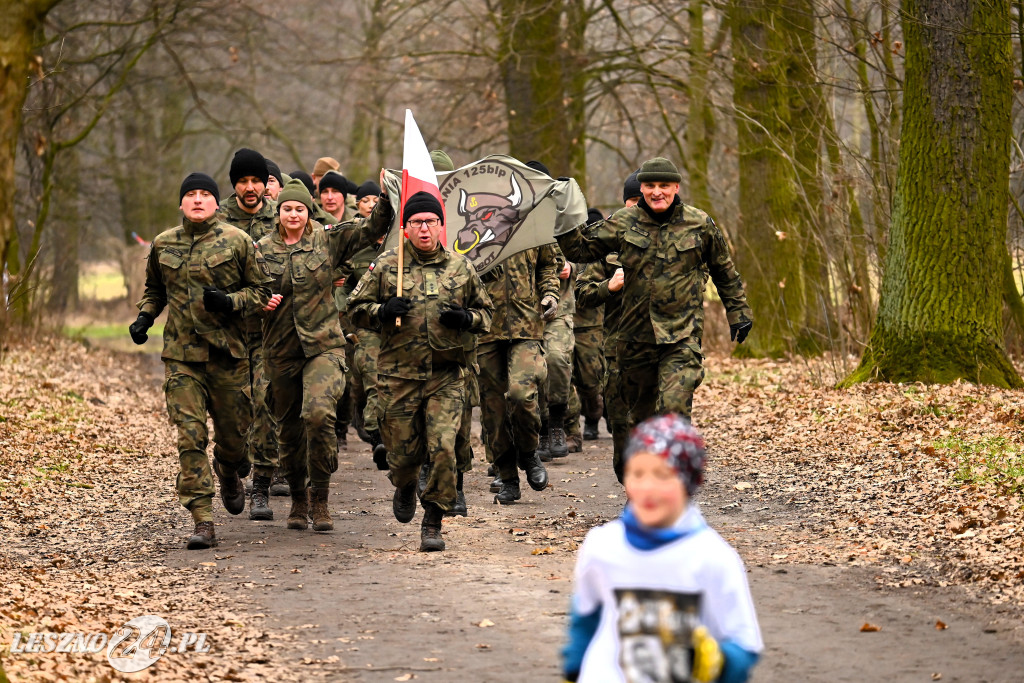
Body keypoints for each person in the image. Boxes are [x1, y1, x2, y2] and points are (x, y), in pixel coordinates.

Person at [561, 414, 762, 683]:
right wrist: (573, 671)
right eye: (637, 473)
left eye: (662, 475)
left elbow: (745, 646)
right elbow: (586, 617)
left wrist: (715, 662)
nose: (647, 487)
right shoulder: (602, 544)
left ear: (689, 481)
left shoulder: (713, 557)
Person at [129, 172, 272, 549]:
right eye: (190, 194)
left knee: (234, 441)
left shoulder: (238, 241)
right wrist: (145, 316)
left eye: (204, 194)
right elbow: (154, 289)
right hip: (182, 357)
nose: (196, 200)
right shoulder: (163, 244)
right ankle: (203, 520)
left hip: (228, 355)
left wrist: (230, 302)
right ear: (181, 203)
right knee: (190, 437)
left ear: (214, 202)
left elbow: (260, 292)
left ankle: (228, 470)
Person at [556, 157, 753, 426]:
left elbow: (724, 270)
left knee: (674, 409)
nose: (656, 191)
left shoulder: (700, 224)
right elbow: (579, 250)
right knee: (640, 423)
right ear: (642, 188)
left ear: (676, 188)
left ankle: (673, 466)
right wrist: (564, 209)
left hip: (681, 337)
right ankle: (643, 466)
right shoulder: (623, 222)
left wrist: (738, 312)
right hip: (636, 342)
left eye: (664, 185)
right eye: (649, 185)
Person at [348, 191, 493, 551]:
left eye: (430, 222)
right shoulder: (386, 266)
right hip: (399, 377)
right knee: (402, 456)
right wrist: (381, 310)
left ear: (442, 226)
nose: (424, 228)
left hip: (446, 375)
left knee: (443, 447)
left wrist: (466, 318)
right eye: (416, 222)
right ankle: (405, 484)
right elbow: (355, 308)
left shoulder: (461, 268)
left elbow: (487, 316)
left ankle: (433, 520)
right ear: (406, 227)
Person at [257, 178, 394, 532]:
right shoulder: (258, 250)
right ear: (278, 211)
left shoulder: (328, 239)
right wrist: (256, 301)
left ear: (308, 211)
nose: (293, 214)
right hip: (281, 351)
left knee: (318, 416)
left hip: (323, 346)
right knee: (287, 431)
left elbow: (371, 228)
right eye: (287, 208)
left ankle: (320, 496)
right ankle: (298, 498)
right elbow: (241, 290)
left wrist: (386, 197)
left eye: (300, 208)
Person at [218, 148, 287, 514]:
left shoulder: (281, 217)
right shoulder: (217, 220)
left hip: (269, 331)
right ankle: (231, 462)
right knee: (233, 412)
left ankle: (261, 484)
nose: (250, 187)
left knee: (265, 403)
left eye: (256, 181)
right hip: (226, 334)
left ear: (265, 184)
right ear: (234, 185)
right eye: (243, 181)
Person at [476, 243, 560, 503]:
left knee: (521, 394)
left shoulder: (531, 218)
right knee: (494, 411)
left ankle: (528, 451)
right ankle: (507, 476)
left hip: (526, 326)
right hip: (485, 328)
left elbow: (548, 264)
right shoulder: (469, 219)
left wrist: (550, 293)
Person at [572, 208, 608, 443]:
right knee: (564, 378)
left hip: (591, 322)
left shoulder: (602, 248)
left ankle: (594, 416)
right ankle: (570, 428)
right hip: (560, 319)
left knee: (590, 378)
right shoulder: (564, 241)